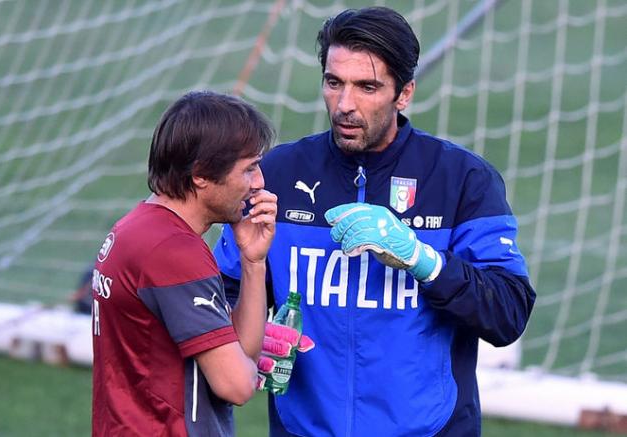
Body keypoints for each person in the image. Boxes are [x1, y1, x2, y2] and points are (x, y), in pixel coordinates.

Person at [213, 7, 536, 436]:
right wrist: (251, 332)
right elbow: (218, 296)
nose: (345, 105)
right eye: (334, 83)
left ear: (404, 94)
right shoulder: (278, 174)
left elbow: (508, 314)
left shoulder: (462, 180)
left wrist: (426, 263)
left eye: (367, 87)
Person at [91, 90, 278, 436]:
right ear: (201, 174)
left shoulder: (138, 227)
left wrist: (253, 262)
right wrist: (258, 368)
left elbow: (242, 351)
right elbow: (236, 385)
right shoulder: (174, 251)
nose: (259, 183)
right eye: (249, 169)